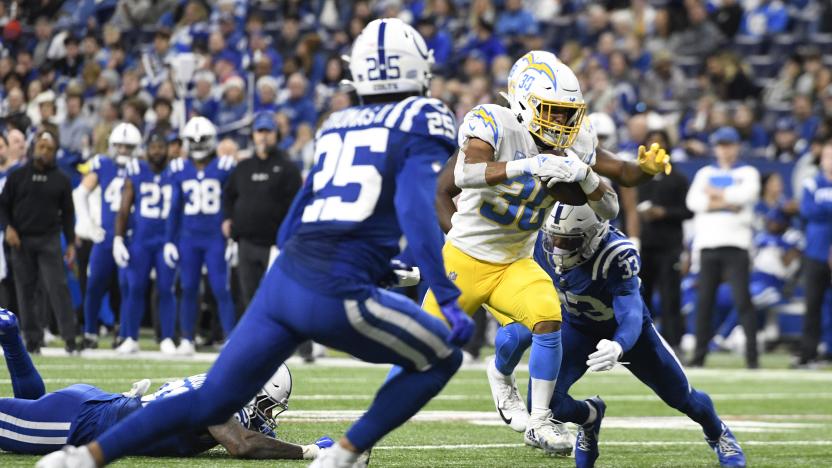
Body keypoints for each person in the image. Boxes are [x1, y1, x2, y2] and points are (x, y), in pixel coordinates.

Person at [39, 18, 473, 468]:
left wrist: (369, 265)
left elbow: (295, 222)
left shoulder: (338, 122)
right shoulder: (425, 117)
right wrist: (447, 297)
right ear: (418, 69)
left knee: (210, 402)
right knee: (442, 357)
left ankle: (85, 458)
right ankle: (343, 453)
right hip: (335, 288)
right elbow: (415, 210)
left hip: (284, 282)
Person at [431, 51, 670, 453]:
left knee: (544, 319)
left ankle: (539, 420)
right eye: (552, 111)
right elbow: (450, 185)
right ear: (524, 103)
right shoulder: (495, 125)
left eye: (566, 113)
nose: (561, 123)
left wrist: (640, 171)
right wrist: (461, 242)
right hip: (468, 255)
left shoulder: (573, 144)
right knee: (425, 349)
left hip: (517, 259)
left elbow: (616, 185)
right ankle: (363, 438)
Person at [495, 203, 746, 468]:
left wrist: (618, 345)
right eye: (553, 237)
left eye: (567, 241)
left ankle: (718, 433)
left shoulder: (616, 254)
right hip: (575, 327)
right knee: (544, 405)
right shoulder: (539, 244)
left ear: (592, 236)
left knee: (682, 397)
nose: (557, 247)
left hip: (625, 333)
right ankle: (590, 417)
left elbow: (631, 313)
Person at [0, 310, 332, 460]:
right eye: (266, 404)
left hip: (90, 405)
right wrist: (307, 451)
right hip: (83, 421)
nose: (266, 415)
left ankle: (11, 337)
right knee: (29, 417)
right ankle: (12, 336)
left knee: (32, 412)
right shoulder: (223, 399)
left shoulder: (220, 381)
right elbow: (241, 444)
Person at [686, 126, 761, 369]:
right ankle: (698, 357)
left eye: (728, 145)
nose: (724, 150)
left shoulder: (748, 172)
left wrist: (715, 197)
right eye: (720, 145)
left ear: (737, 146)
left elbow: (747, 195)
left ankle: (752, 358)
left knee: (743, 301)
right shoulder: (704, 172)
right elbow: (693, 202)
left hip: (737, 244)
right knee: (704, 302)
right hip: (708, 244)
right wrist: (728, 201)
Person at [163, 116, 237, 355]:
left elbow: (233, 202)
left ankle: (231, 337)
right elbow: (174, 208)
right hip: (189, 238)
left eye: (201, 139)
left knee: (220, 288)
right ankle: (187, 337)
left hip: (215, 237)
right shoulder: (179, 168)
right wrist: (169, 241)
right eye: (192, 140)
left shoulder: (225, 166)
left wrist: (232, 236)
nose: (197, 144)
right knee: (189, 287)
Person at [0, 130, 77, 354]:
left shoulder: (61, 179)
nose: (44, 152)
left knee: (57, 287)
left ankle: (70, 337)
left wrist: (71, 242)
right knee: (25, 290)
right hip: (21, 240)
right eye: (41, 147)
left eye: (49, 149)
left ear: (55, 153)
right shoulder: (17, 176)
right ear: (34, 148)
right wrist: (8, 228)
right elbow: (2, 206)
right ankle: (33, 340)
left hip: (49, 238)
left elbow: (69, 214)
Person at [73, 122, 142, 352]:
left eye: (128, 146)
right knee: (94, 286)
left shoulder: (142, 168)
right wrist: (88, 225)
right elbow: (80, 193)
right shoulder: (102, 163)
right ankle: (90, 332)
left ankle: (124, 334)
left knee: (127, 287)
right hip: (105, 237)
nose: (122, 150)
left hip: (131, 238)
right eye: (119, 145)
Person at [222, 112, 302, 310]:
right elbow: (228, 195)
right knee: (248, 297)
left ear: (277, 135)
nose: (263, 136)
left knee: (277, 298)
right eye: (260, 131)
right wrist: (227, 218)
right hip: (245, 243)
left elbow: (296, 205)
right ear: (253, 136)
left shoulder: (287, 168)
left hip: (275, 245)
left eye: (268, 131)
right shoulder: (243, 167)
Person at [112, 131, 177, 354]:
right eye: (153, 147)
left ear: (167, 149)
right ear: (147, 150)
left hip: (166, 241)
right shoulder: (136, 170)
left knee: (166, 288)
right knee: (135, 287)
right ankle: (131, 336)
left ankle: (167, 336)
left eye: (161, 146)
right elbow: (124, 208)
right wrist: (118, 239)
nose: (157, 151)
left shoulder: (176, 171)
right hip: (140, 239)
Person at [636, 130, 693, 351]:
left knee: (671, 296)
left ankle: (673, 343)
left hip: (669, 245)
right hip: (643, 245)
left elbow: (688, 211)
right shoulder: (637, 176)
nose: (656, 146)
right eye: (651, 142)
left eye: (660, 142)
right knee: (642, 296)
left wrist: (664, 212)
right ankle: (642, 343)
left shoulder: (677, 178)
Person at [796, 139, 832, 367]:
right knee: (813, 305)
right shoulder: (812, 183)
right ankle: (808, 353)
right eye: (828, 155)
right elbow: (807, 211)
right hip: (815, 252)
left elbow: (817, 211)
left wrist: (824, 209)